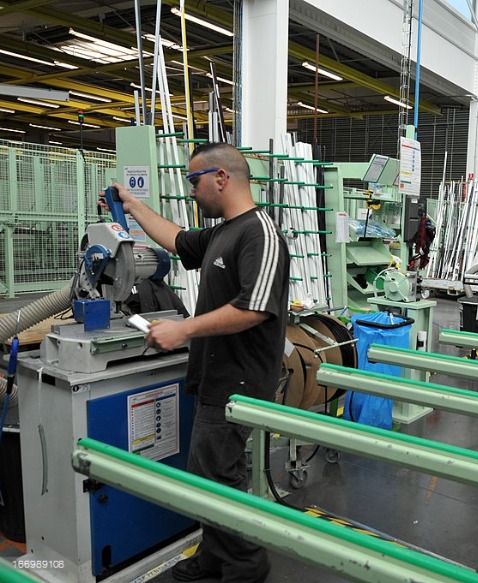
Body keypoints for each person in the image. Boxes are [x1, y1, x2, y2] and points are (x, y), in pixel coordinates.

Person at [108, 142, 290, 583]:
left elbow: (254, 308)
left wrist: (182, 329)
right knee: (210, 477)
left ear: (221, 178)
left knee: (218, 479)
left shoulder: (259, 232)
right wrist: (133, 207)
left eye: (194, 181)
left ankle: (246, 567)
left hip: (239, 383)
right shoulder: (221, 231)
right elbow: (174, 239)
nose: (192, 191)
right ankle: (214, 555)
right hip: (213, 377)